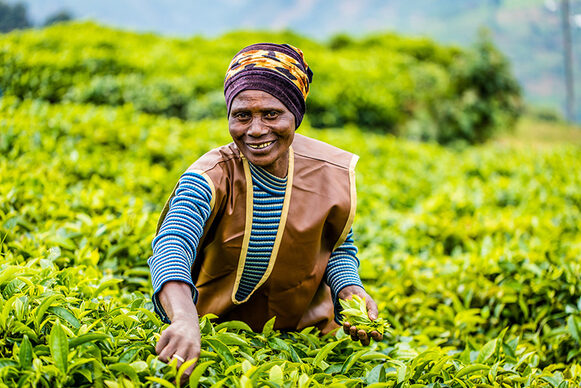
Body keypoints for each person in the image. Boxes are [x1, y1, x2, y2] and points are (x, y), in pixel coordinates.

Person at [147, 43, 381, 376]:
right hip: (218, 339)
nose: (256, 130)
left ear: (295, 117)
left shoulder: (327, 172)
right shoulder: (210, 175)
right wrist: (184, 320)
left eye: (271, 114)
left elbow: (337, 245)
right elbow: (173, 244)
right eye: (242, 115)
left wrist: (350, 291)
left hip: (307, 344)